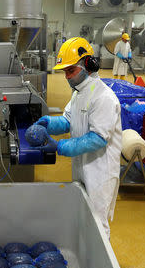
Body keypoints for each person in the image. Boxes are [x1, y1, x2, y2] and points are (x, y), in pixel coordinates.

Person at [33, 37, 122, 238]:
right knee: (82, 216)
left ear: (88, 65)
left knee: (97, 224)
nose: (67, 77)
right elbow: (68, 120)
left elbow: (97, 138)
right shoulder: (80, 92)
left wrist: (59, 146)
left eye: (71, 70)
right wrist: (48, 122)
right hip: (82, 166)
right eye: (65, 72)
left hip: (100, 171)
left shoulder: (103, 98)